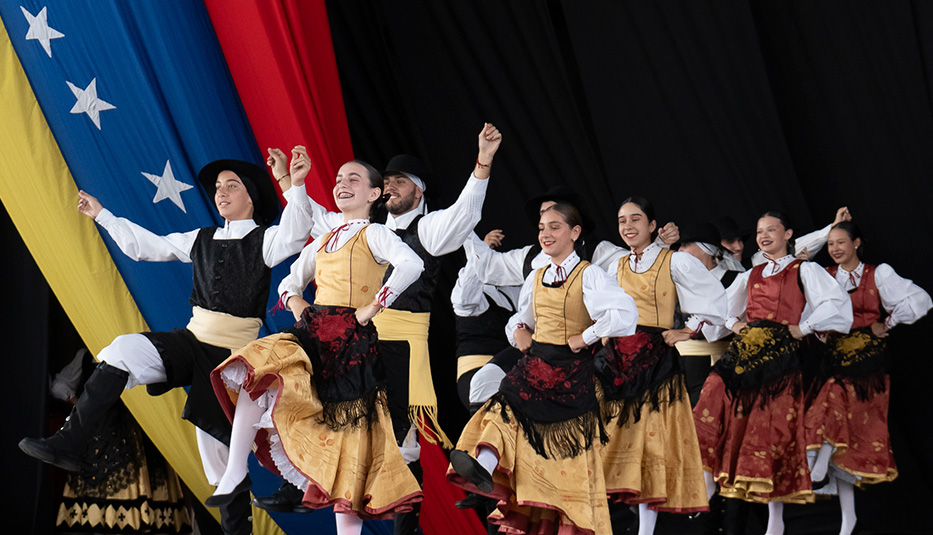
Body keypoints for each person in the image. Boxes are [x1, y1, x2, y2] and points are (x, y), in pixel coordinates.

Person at [20, 152, 316, 535]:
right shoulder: (201, 238)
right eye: (218, 187)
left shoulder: (267, 239)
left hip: (232, 357)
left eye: (232, 185)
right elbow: (147, 247)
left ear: (252, 198)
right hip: (191, 341)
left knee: (217, 454)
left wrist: (294, 183)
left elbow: (296, 230)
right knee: (124, 350)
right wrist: (103, 215)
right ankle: (69, 441)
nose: (221, 192)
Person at [275, 124, 502, 534]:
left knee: (400, 440)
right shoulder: (367, 229)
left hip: (401, 341)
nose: (392, 186)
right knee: (353, 428)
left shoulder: (429, 229)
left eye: (401, 182)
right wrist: (289, 182)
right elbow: (315, 218)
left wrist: (482, 162)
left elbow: (467, 212)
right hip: (358, 342)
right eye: (388, 181)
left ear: (419, 191)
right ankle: (317, 489)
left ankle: (425, 510)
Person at [207, 160, 425, 535]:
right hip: (312, 333)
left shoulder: (374, 234)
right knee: (255, 373)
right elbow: (289, 282)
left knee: (346, 448)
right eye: (339, 178)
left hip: (350, 346)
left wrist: (374, 305)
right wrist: (298, 305)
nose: (342, 184)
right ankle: (234, 474)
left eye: (353, 179)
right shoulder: (324, 239)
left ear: (374, 195)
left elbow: (412, 264)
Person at [448, 203, 638, 535]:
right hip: (535, 366)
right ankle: (484, 469)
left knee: (559, 463)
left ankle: (523, 496)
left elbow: (625, 315)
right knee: (500, 409)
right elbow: (521, 316)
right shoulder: (537, 275)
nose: (545, 234)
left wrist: (587, 335)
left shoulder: (589, 274)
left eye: (554, 227)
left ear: (574, 233)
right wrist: (519, 330)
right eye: (541, 228)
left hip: (570, 377)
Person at [693, 211, 853, 535]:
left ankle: (775, 522)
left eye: (771, 230)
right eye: (759, 231)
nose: (763, 236)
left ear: (787, 233)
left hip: (781, 355)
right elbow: (718, 307)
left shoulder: (804, 269)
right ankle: (708, 483)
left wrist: (803, 327)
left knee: (768, 433)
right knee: (711, 393)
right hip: (748, 349)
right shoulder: (750, 274)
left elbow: (835, 304)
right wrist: (733, 323)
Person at [595, 197, 727, 535]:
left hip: (655, 362)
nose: (628, 226)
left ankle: (645, 530)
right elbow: (603, 309)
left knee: (650, 445)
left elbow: (714, 298)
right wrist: (604, 334)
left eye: (636, 219)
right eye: (623, 220)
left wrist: (687, 328)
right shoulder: (616, 266)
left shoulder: (674, 261)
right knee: (614, 442)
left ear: (653, 225)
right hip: (619, 364)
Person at [804, 221, 931, 535]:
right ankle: (848, 520)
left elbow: (920, 300)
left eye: (840, 242)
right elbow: (807, 301)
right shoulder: (825, 276)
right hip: (835, 359)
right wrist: (817, 328)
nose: (834, 249)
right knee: (840, 434)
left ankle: (817, 470)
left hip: (869, 365)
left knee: (845, 418)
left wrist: (888, 321)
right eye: (830, 244)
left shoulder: (879, 274)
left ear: (856, 243)